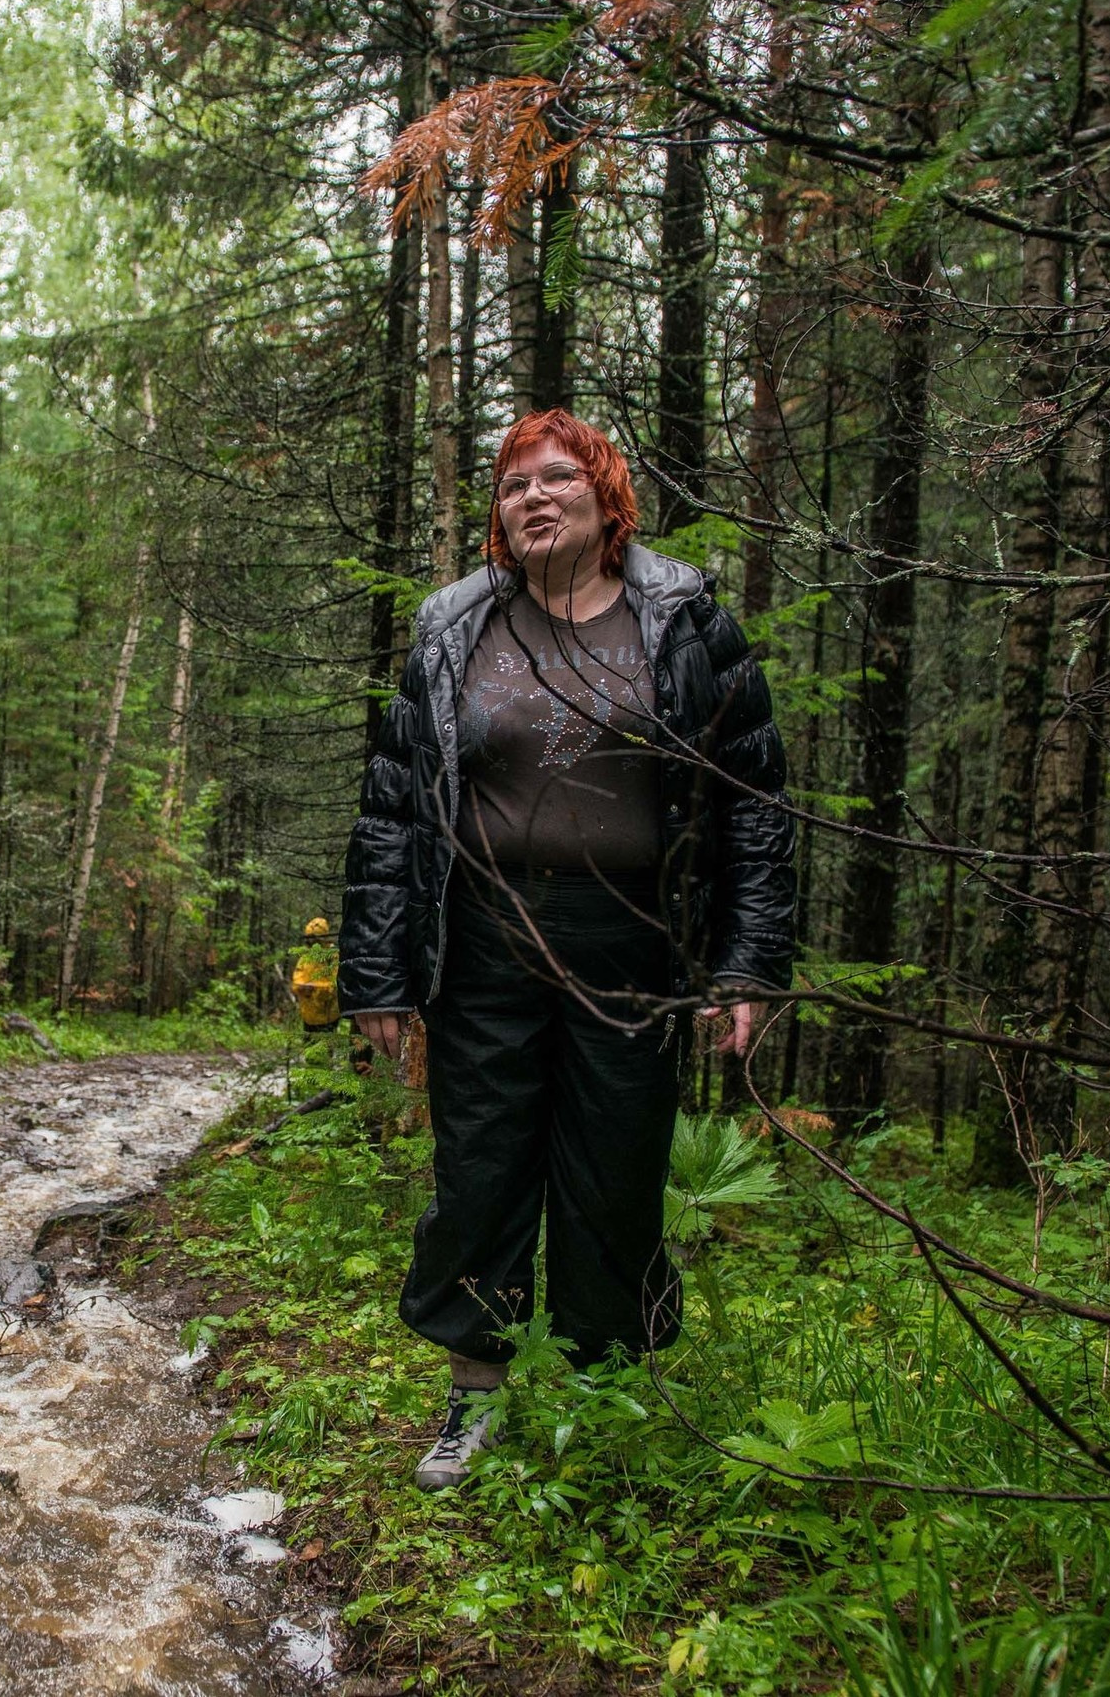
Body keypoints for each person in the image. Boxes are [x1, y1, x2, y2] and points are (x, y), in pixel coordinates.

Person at [337, 408, 795, 1490]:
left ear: (605, 496)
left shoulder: (684, 621)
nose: (531, 497)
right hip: (484, 938)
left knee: (613, 1174)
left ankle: (599, 1400)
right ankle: (474, 1397)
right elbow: (392, 813)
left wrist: (747, 962)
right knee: (481, 1169)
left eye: (555, 478)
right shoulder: (453, 627)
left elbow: (752, 803)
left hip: (627, 943)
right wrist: (378, 975)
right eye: (510, 485)